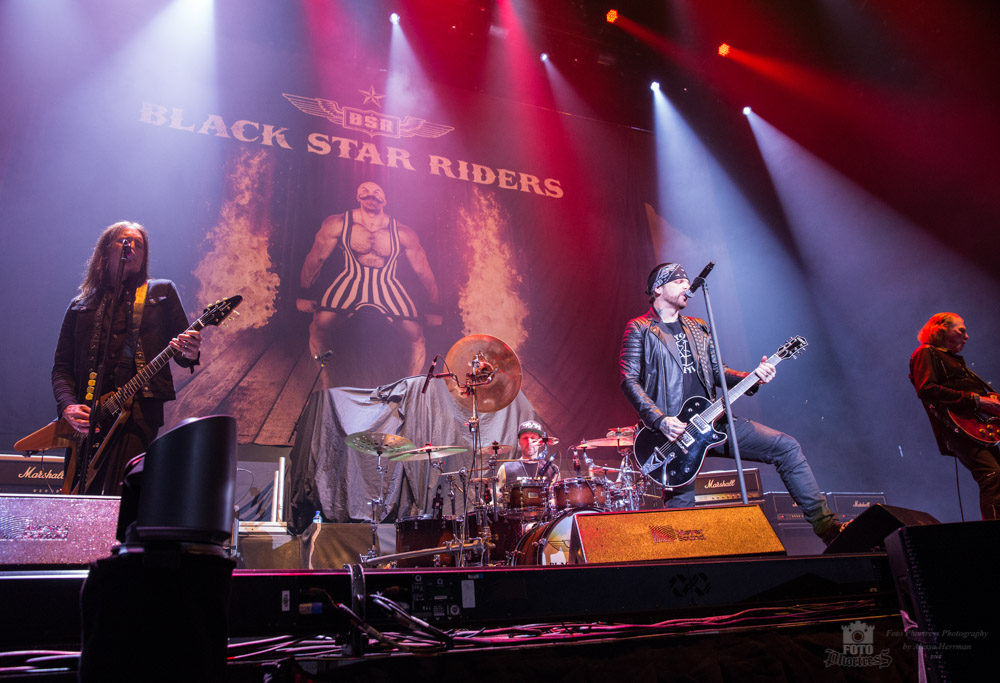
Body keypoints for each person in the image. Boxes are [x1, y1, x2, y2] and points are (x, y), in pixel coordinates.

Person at [619, 262, 841, 543]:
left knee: (786, 447)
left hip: (713, 420)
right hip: (671, 434)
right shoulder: (640, 328)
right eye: (679, 281)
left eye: (688, 281)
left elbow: (718, 372)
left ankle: (828, 529)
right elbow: (629, 380)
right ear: (658, 289)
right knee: (682, 507)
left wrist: (753, 377)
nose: (688, 286)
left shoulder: (699, 327)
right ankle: (682, 568)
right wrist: (660, 420)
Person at [52, 221, 201, 495]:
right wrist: (68, 406)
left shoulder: (161, 293)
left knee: (122, 492)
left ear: (144, 256)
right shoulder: (80, 305)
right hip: (88, 416)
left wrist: (190, 352)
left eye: (138, 243)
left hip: (139, 411)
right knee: (77, 495)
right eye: (123, 240)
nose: (130, 246)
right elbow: (61, 368)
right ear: (105, 251)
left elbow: (183, 355)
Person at [297, 181, 442, 387]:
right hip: (351, 279)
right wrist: (304, 292)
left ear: (385, 199)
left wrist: (435, 307)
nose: (370, 194)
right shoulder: (339, 223)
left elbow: (422, 269)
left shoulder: (402, 232)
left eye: (376, 191)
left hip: (386, 283)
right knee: (319, 325)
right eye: (364, 191)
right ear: (358, 196)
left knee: (416, 335)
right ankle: (326, 383)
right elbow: (316, 258)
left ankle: (408, 388)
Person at [910, 312, 1000, 520]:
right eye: (961, 330)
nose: (966, 336)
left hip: (977, 428)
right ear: (940, 328)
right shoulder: (926, 353)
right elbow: (926, 388)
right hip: (959, 428)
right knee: (992, 476)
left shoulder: (953, 361)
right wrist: (978, 401)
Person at [496, 420, 560, 490]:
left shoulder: (552, 470)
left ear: (541, 442)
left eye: (533, 438)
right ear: (518, 442)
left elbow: (556, 499)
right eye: (525, 438)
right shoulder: (506, 469)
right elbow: (498, 497)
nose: (529, 442)